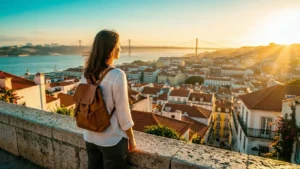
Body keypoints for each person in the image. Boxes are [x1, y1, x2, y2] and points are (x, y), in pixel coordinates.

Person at [80, 29, 136, 169]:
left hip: (90, 136)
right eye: (118, 45)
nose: (120, 48)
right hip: (112, 139)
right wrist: (131, 139)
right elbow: (123, 111)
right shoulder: (117, 74)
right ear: (110, 49)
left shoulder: (87, 73)